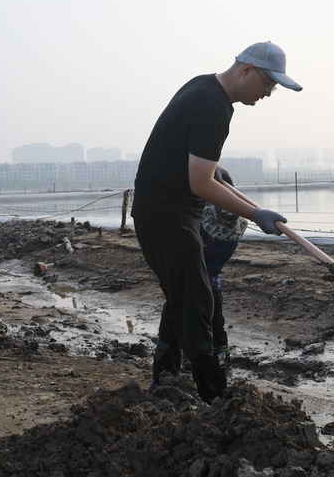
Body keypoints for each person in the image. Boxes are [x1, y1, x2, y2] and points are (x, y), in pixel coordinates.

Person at [132, 41, 301, 402]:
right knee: (196, 304)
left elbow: (185, 151)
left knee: (184, 297)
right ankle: (214, 397)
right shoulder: (213, 105)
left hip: (161, 211)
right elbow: (200, 184)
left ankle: (164, 383)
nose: (268, 94)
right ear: (247, 70)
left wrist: (213, 167)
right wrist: (254, 213)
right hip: (167, 216)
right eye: (268, 84)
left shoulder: (202, 86)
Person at [201, 167, 248, 366]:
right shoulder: (230, 236)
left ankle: (209, 362)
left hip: (201, 277)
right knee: (214, 322)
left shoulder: (210, 235)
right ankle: (220, 363)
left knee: (201, 321)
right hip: (206, 278)